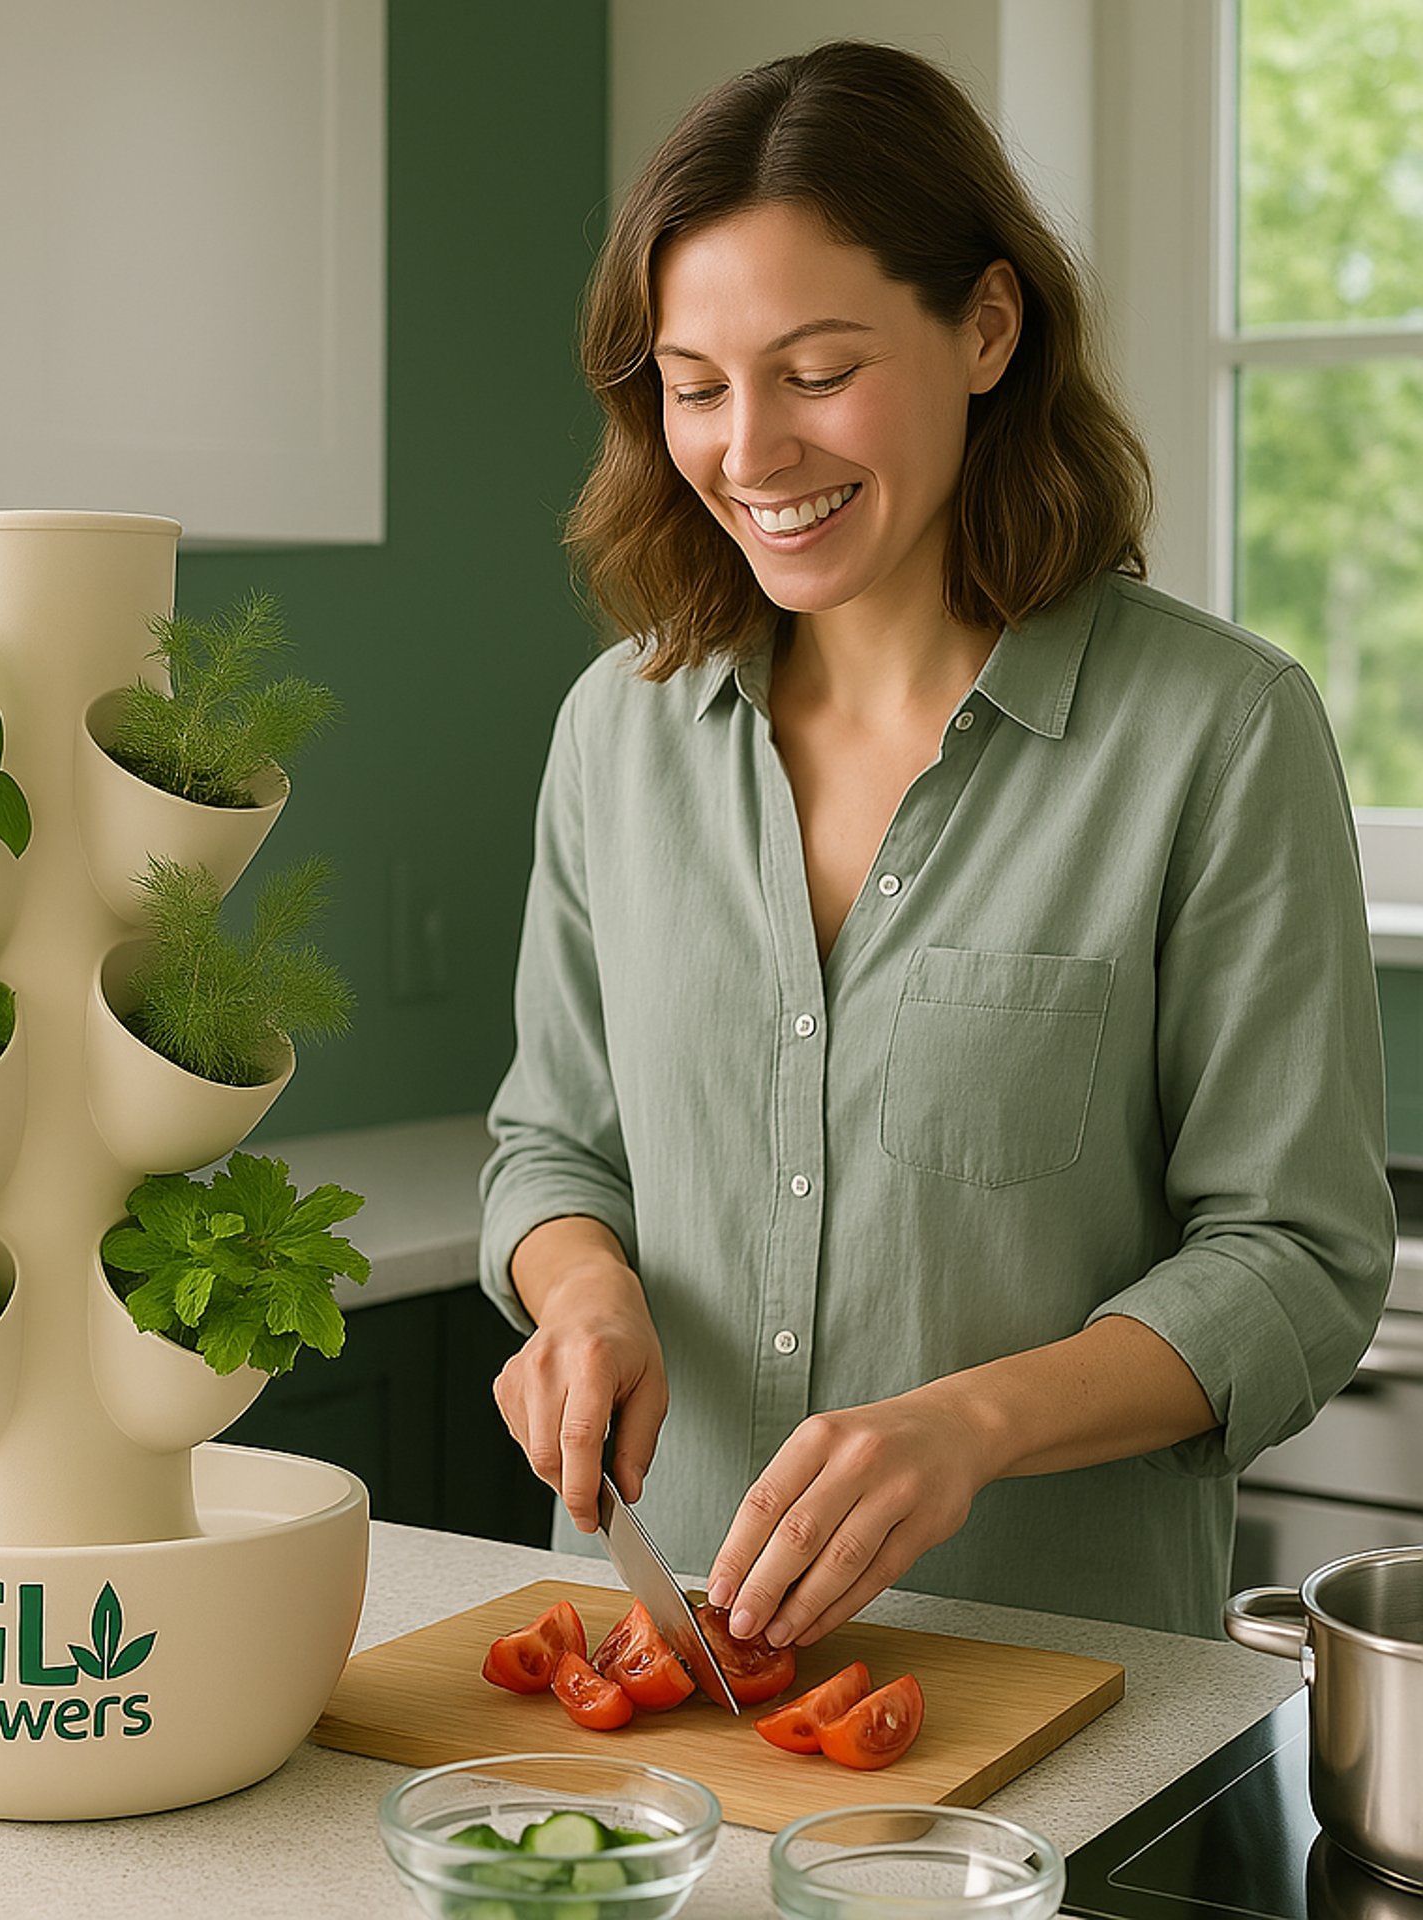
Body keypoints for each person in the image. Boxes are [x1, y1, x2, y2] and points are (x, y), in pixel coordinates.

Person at [478, 40, 1394, 1645]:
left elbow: (1295, 1259)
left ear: (986, 327)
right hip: (655, 1669)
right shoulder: (618, 730)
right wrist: (584, 1292)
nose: (749, 452)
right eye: (697, 387)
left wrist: (970, 1426)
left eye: (817, 372)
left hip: (1063, 1689)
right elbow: (553, 1148)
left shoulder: (1220, 732)